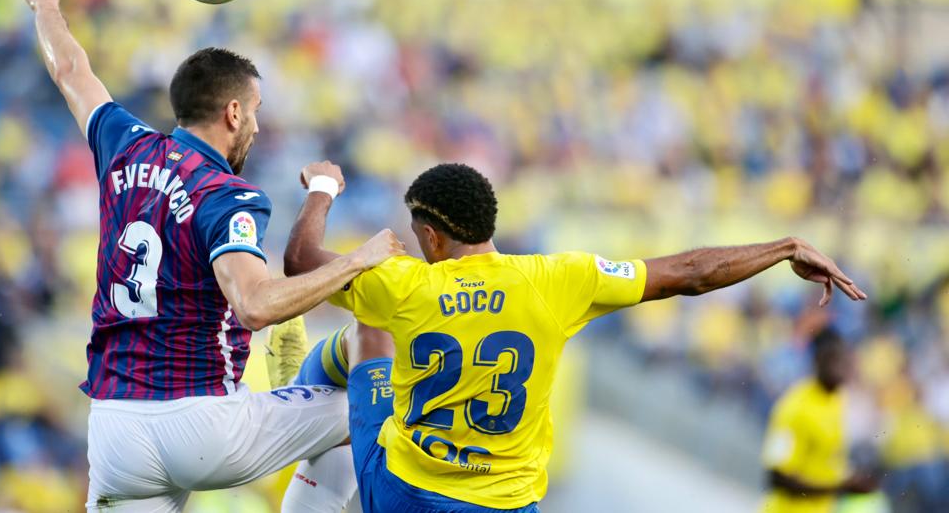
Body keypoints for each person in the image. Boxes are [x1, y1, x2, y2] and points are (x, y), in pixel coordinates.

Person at [17, 0, 405, 512]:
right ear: (234, 113)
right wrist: (360, 258)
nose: (258, 129)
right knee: (357, 410)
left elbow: (70, 69)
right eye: (257, 113)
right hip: (201, 421)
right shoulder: (227, 195)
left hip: (113, 428)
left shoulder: (123, 145)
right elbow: (254, 305)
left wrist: (45, 4)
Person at [281, 162, 867, 512]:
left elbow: (303, 260)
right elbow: (690, 274)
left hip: (408, 494)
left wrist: (322, 189)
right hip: (508, 503)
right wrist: (783, 247)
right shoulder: (561, 279)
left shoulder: (403, 283)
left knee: (370, 326)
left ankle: (308, 478)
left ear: (431, 238)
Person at [761, 328, 878, 513]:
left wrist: (852, 478)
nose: (840, 365)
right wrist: (840, 487)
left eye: (843, 358)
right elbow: (777, 478)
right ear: (817, 359)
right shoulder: (794, 408)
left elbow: (824, 459)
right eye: (833, 358)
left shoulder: (836, 399)